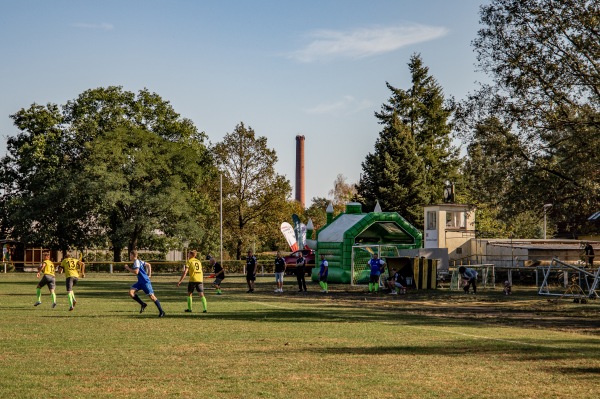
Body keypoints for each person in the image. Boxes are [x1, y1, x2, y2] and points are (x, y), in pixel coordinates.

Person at [124, 250, 165, 317]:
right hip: (140, 282)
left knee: (152, 297)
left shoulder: (136, 262)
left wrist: (128, 268)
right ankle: (143, 304)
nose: (129, 257)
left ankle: (161, 312)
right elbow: (148, 265)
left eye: (130, 255)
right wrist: (149, 274)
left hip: (145, 282)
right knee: (131, 293)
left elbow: (136, 272)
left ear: (133, 256)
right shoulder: (139, 261)